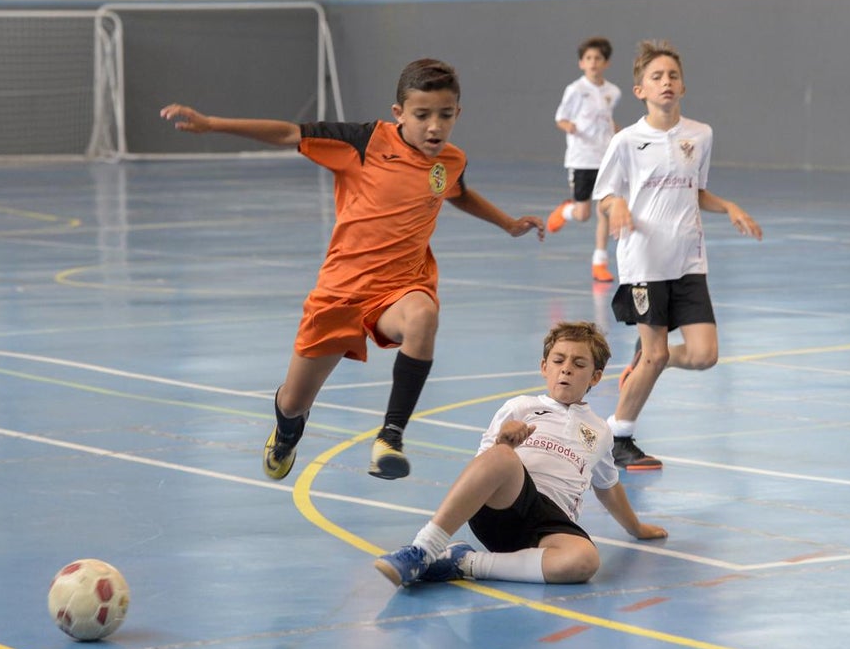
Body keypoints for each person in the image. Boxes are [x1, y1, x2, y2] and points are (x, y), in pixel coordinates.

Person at [160, 59, 544, 482]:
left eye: (445, 115)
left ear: (458, 113)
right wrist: (211, 123)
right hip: (340, 291)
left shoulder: (449, 160)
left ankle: (390, 437)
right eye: (422, 115)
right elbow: (290, 133)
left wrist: (507, 223)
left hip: (400, 288)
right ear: (398, 113)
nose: (434, 126)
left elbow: (457, 192)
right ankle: (287, 432)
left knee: (423, 316)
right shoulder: (361, 143)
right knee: (293, 400)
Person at [374, 321, 667, 587]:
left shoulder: (601, 431)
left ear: (596, 377)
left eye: (579, 364)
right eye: (558, 361)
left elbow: (609, 488)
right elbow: (482, 468)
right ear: (544, 367)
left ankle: (463, 563)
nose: (566, 369)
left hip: (551, 525)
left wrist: (637, 527)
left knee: (585, 561)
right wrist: (504, 444)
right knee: (502, 457)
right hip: (506, 504)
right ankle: (424, 550)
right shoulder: (521, 407)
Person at [594, 40, 762, 471]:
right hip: (645, 262)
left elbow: (697, 191)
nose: (665, 82)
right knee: (657, 354)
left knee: (704, 355)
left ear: (682, 85)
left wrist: (729, 207)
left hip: (689, 259)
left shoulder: (700, 134)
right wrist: (620, 207)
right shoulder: (627, 141)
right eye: (656, 77)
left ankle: (650, 358)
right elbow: (605, 197)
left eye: (672, 76)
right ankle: (620, 437)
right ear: (640, 91)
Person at [548, 37, 622, 283]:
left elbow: (608, 120)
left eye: (598, 58)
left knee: (605, 213)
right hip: (582, 159)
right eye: (588, 58)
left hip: (606, 159)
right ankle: (567, 210)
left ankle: (600, 263)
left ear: (606, 63)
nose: (593, 63)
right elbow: (560, 117)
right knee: (583, 214)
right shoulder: (575, 90)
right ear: (581, 63)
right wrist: (569, 126)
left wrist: (622, 135)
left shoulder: (613, 92)